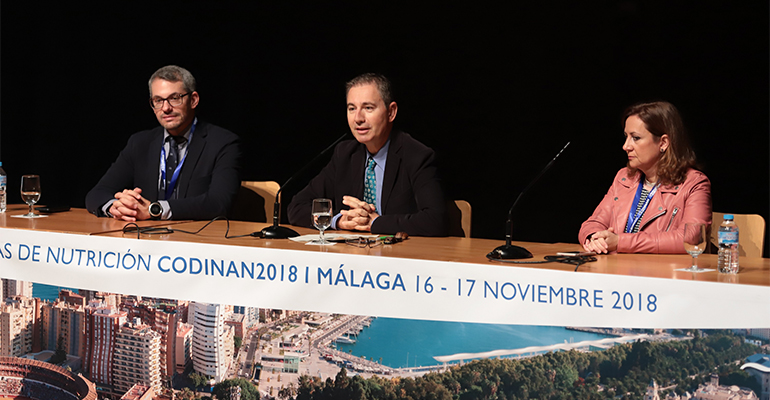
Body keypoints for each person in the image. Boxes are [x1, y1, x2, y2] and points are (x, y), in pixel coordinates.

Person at [287, 73, 448, 236]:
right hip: (353, 254)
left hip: (400, 255)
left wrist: (375, 222)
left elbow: (435, 220)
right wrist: (339, 221)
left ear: (391, 112)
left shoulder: (417, 155)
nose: (358, 118)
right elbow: (297, 207)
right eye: (352, 109)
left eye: (368, 108)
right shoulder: (345, 154)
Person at [85, 65, 241, 221]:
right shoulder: (140, 143)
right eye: (158, 100)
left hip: (196, 238)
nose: (166, 108)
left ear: (193, 100)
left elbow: (219, 203)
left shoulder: (223, 143)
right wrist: (117, 207)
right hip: (147, 238)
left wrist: (155, 210)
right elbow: (97, 193)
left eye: (174, 98)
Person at [579, 101, 711, 254]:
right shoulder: (624, 178)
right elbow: (593, 223)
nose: (625, 146)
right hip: (617, 271)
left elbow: (690, 239)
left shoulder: (694, 183)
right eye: (626, 137)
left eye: (635, 138)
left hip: (661, 274)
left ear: (663, 143)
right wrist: (595, 239)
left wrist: (620, 242)